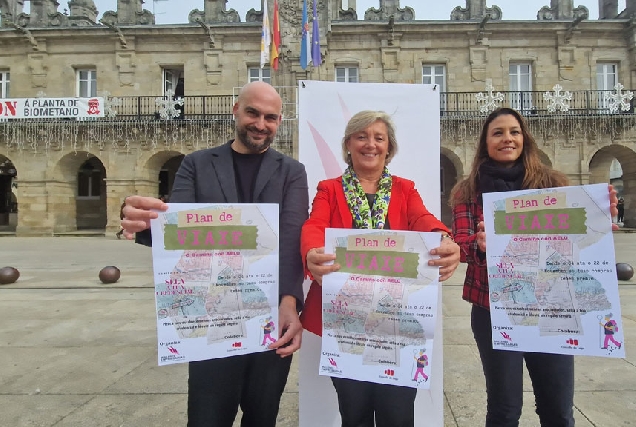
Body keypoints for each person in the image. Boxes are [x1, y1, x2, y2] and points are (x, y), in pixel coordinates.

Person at [120, 81, 309, 427]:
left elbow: (293, 238)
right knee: (208, 417)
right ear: (236, 110)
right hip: (211, 314)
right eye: (252, 112)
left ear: (279, 121)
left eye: (270, 117)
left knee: (262, 415)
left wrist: (289, 302)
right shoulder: (197, 164)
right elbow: (178, 225)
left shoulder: (292, 172)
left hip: (267, 313)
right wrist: (142, 222)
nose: (260, 124)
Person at [449, 107, 619, 427]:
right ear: (485, 143)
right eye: (497, 133)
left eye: (514, 131)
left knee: (557, 408)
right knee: (504, 408)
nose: (507, 138)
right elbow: (460, 244)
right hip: (494, 309)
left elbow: (579, 239)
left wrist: (598, 218)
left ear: (524, 138)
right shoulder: (468, 191)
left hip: (551, 306)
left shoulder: (552, 183)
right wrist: (480, 244)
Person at [300, 110, 461, 427]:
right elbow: (315, 224)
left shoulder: (404, 189)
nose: (370, 144)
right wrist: (311, 252)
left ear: (389, 148)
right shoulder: (329, 189)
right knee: (354, 413)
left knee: (398, 416)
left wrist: (444, 239)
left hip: (398, 322)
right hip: (346, 321)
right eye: (361, 136)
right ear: (348, 144)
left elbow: (422, 220)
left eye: (378, 138)